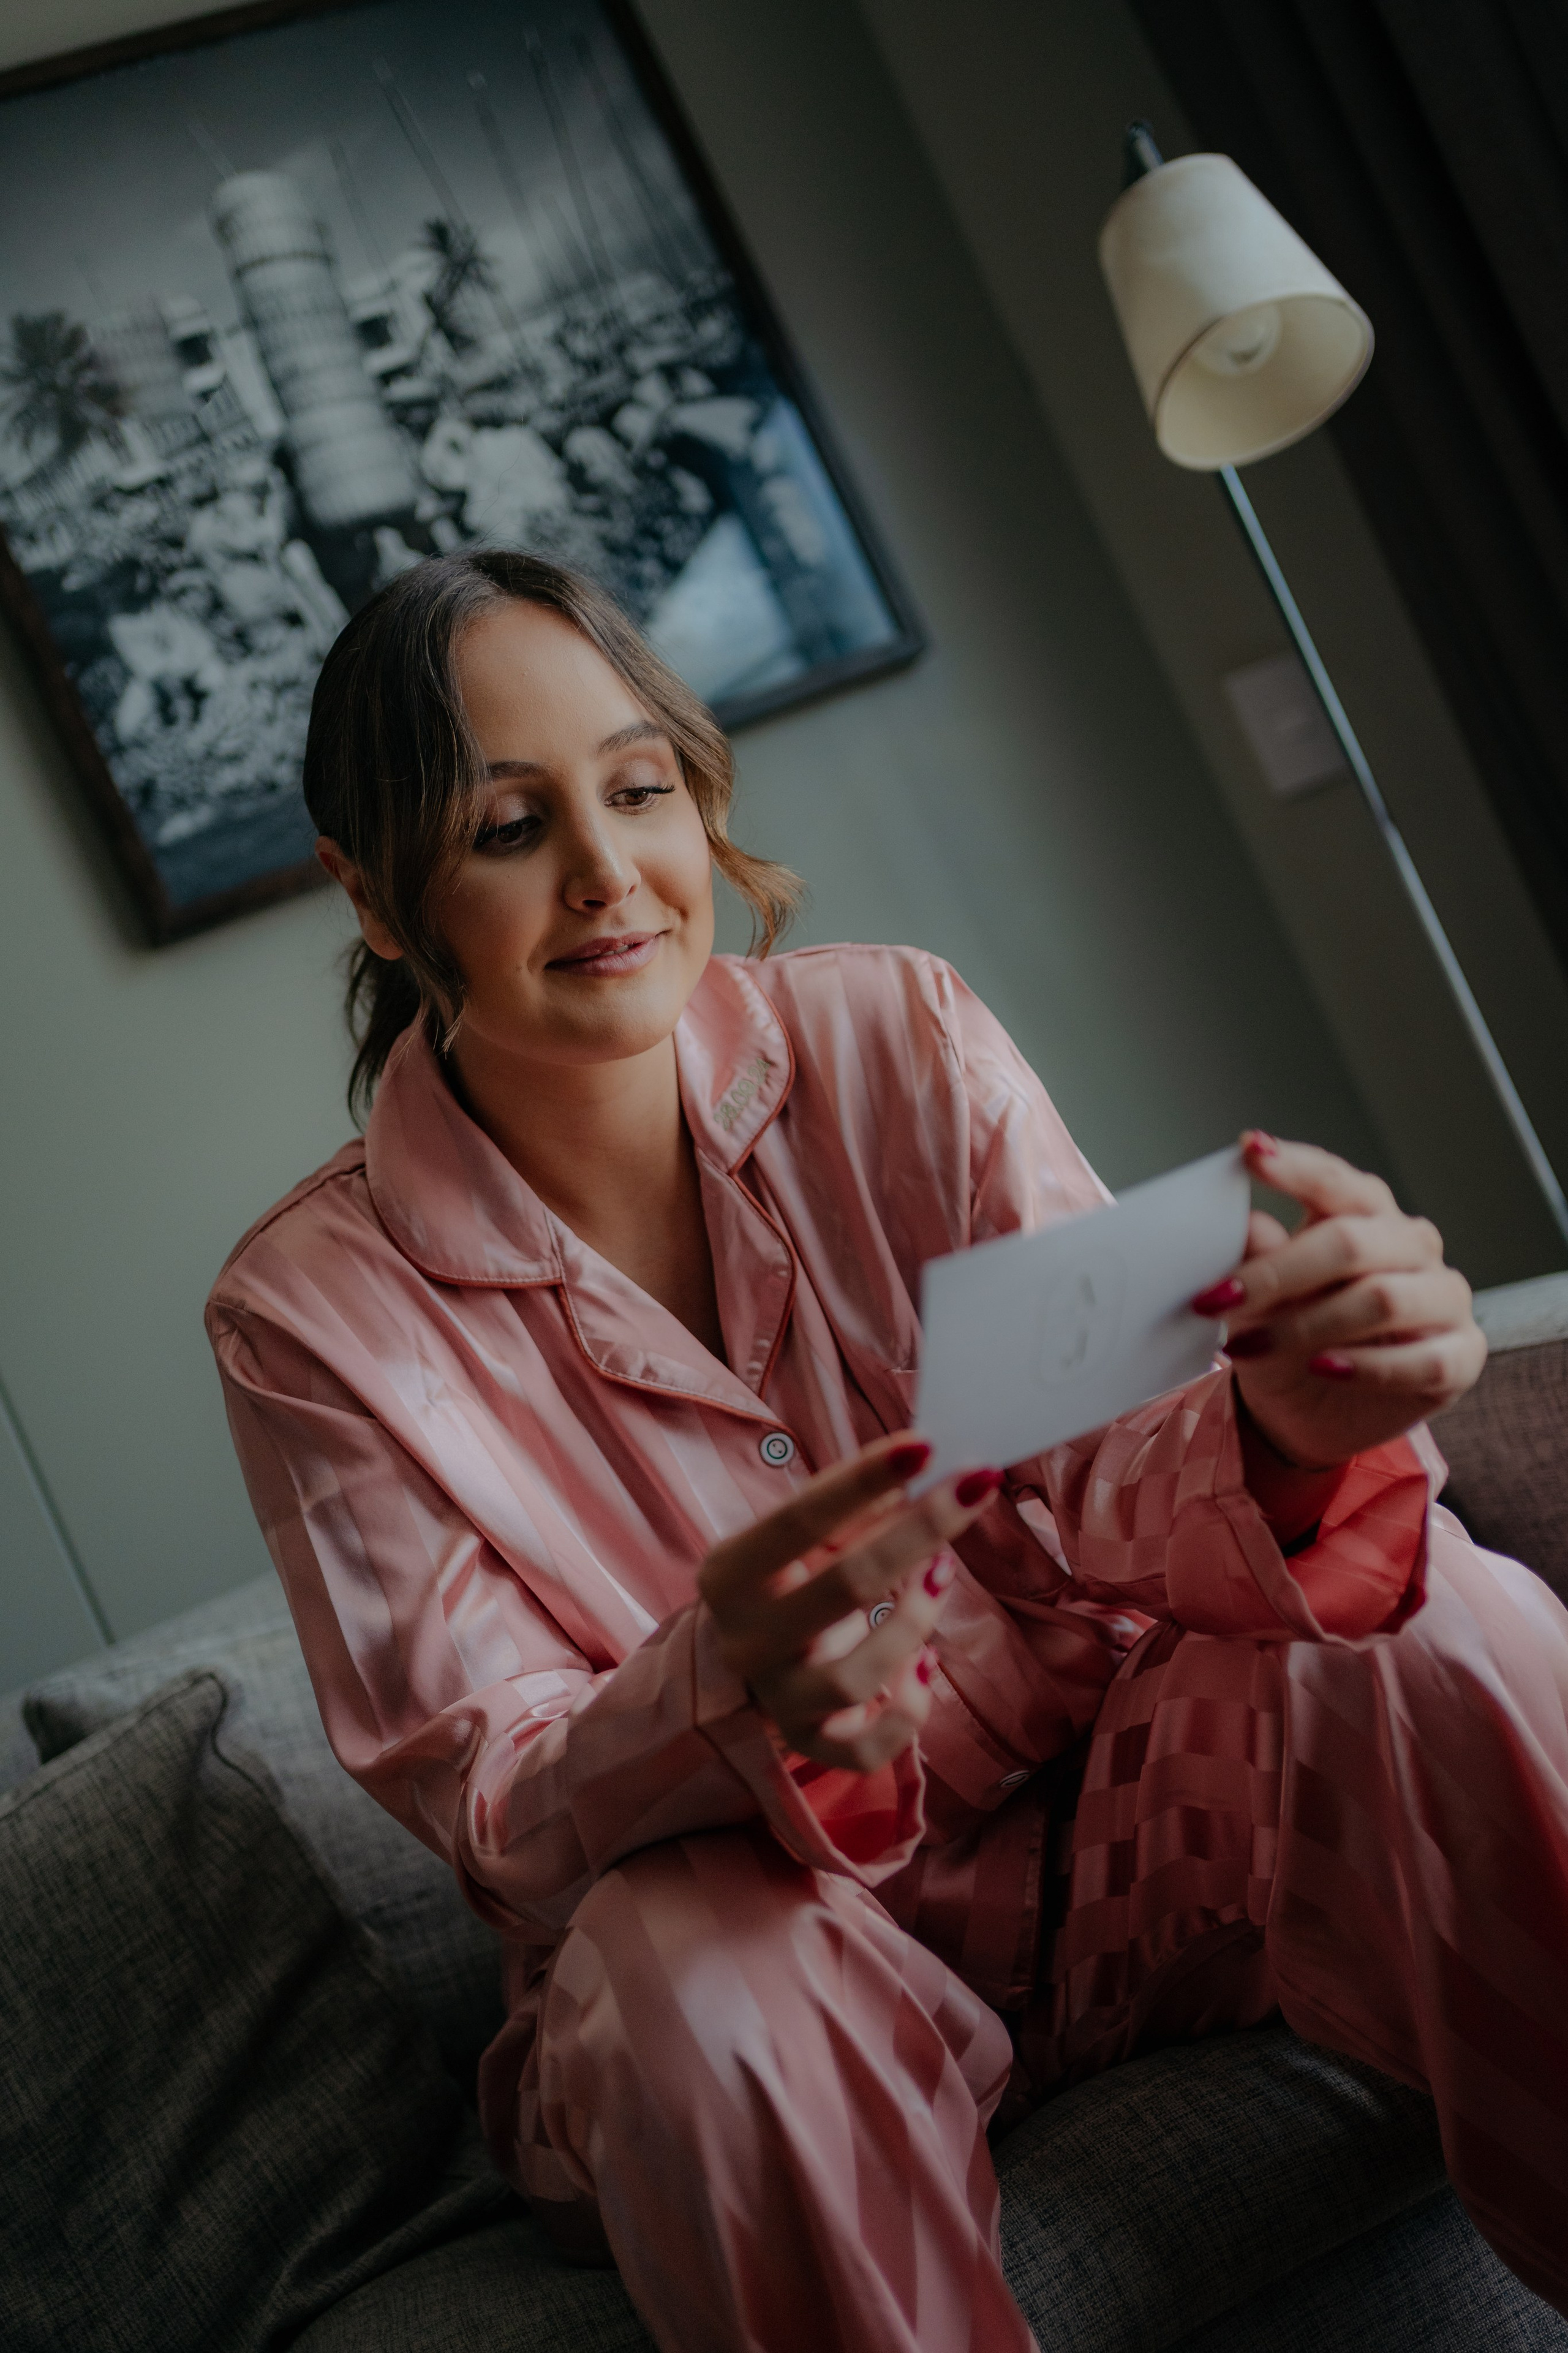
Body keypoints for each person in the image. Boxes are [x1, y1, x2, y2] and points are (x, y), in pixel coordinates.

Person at [206, 550, 1568, 2353]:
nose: (610, 873)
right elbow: (505, 1802)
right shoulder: (309, 1312)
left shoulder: (899, 1033)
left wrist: (1280, 1430)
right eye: (508, 826)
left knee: (1451, 1621)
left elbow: (1103, 1455)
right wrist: (721, 1685)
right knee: (699, 1982)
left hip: (1127, 1850)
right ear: (375, 895)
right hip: (773, 1976)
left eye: (639, 788)